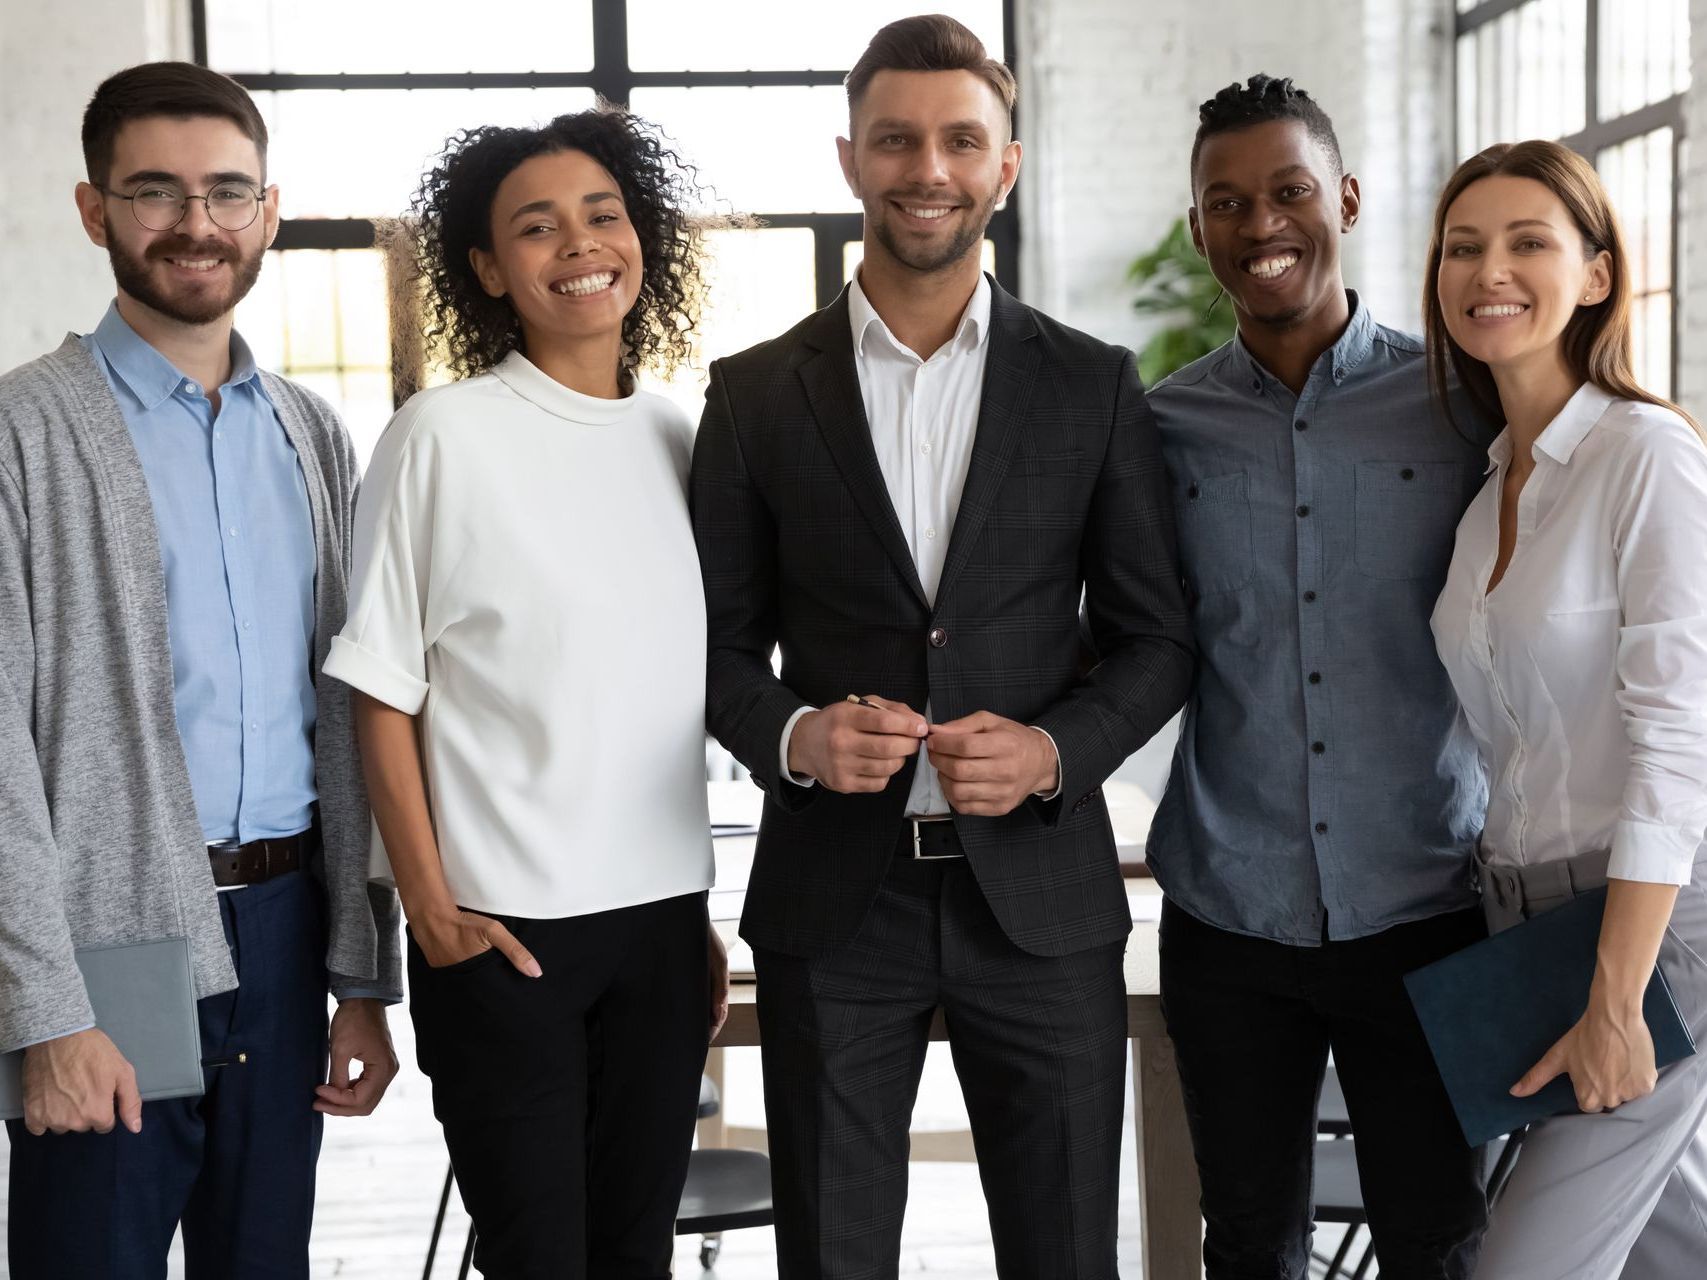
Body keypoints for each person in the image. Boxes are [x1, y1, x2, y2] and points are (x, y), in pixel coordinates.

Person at [690, 16, 1193, 1279]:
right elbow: (711, 645)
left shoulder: (1093, 384)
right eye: (897, 138)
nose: (929, 166)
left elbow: (1156, 638)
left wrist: (1052, 750)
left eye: (961, 139)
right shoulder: (753, 393)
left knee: (1066, 1245)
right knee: (834, 1251)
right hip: (832, 901)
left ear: (1004, 165)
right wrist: (796, 734)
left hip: (1040, 894)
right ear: (850, 159)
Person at [0, 62, 401, 1280]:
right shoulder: (24, 431)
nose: (197, 225)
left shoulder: (314, 434)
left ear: (269, 213)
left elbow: (350, 721)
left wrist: (362, 973)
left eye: (229, 193)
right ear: (93, 209)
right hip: (113, 943)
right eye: (156, 192)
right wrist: (49, 1007)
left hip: (287, 930)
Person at [323, 108, 728, 1280]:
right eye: (537, 227)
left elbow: (636, 691)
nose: (580, 245)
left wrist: (681, 905)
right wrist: (433, 912)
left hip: (658, 926)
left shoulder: (674, 437)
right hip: (503, 936)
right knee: (539, 1256)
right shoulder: (443, 434)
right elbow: (381, 691)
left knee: (635, 1252)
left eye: (604, 215)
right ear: (490, 269)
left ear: (642, 237)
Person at [1144, 75, 1492, 1278]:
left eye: (1288, 191)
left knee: (1436, 1239)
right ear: (1200, 229)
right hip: (1229, 913)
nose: (1260, 224)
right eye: (1226, 202)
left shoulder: (1464, 406)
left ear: (1343, 197)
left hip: (1430, 904)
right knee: (1246, 1241)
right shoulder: (1158, 430)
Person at [1426, 138, 1707, 1280]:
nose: (1490, 269)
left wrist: (1615, 995)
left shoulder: (1648, 456)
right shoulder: (1492, 485)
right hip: (1527, 928)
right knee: (1668, 1246)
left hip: (1651, 936)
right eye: (1462, 246)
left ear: (1596, 274)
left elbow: (1677, 745)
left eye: (1528, 241)